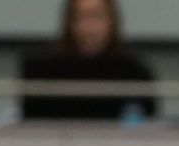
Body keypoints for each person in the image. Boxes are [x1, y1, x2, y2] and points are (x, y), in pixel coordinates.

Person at [21, 0, 156, 123]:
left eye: (97, 16)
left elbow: (146, 127)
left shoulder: (135, 71)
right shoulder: (42, 69)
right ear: (69, 22)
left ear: (112, 20)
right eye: (81, 17)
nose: (89, 26)